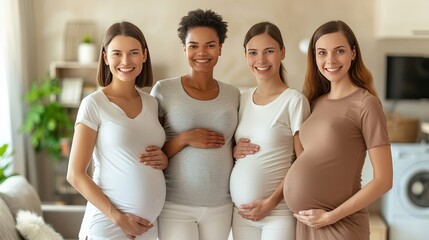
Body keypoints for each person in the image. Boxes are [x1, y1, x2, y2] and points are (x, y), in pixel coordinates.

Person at [283, 20, 393, 240]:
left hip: (339, 225)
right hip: (306, 223)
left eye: (339, 51)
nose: (330, 60)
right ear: (314, 58)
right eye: (322, 53)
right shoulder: (315, 102)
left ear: (353, 53)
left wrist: (330, 217)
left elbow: (384, 180)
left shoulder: (366, 104)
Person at [67, 21, 168, 240]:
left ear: (144, 55)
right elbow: (75, 175)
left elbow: (147, 153)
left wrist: (165, 158)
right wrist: (119, 219)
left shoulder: (153, 104)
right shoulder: (93, 104)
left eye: (133, 52)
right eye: (116, 53)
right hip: (109, 225)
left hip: (148, 228)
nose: (125, 61)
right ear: (105, 58)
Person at [149, 9, 240, 240]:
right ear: (184, 49)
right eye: (193, 46)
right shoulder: (164, 90)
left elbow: (235, 143)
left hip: (221, 203)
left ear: (220, 48)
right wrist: (184, 138)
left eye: (210, 45)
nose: (201, 52)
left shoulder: (233, 94)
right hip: (175, 204)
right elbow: (153, 153)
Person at [229, 22, 310, 240]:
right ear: (246, 56)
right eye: (253, 53)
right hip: (241, 215)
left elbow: (303, 163)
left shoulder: (294, 101)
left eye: (269, 51)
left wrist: (270, 203)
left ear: (282, 52)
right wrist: (233, 150)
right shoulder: (243, 98)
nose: (261, 60)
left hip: (278, 213)